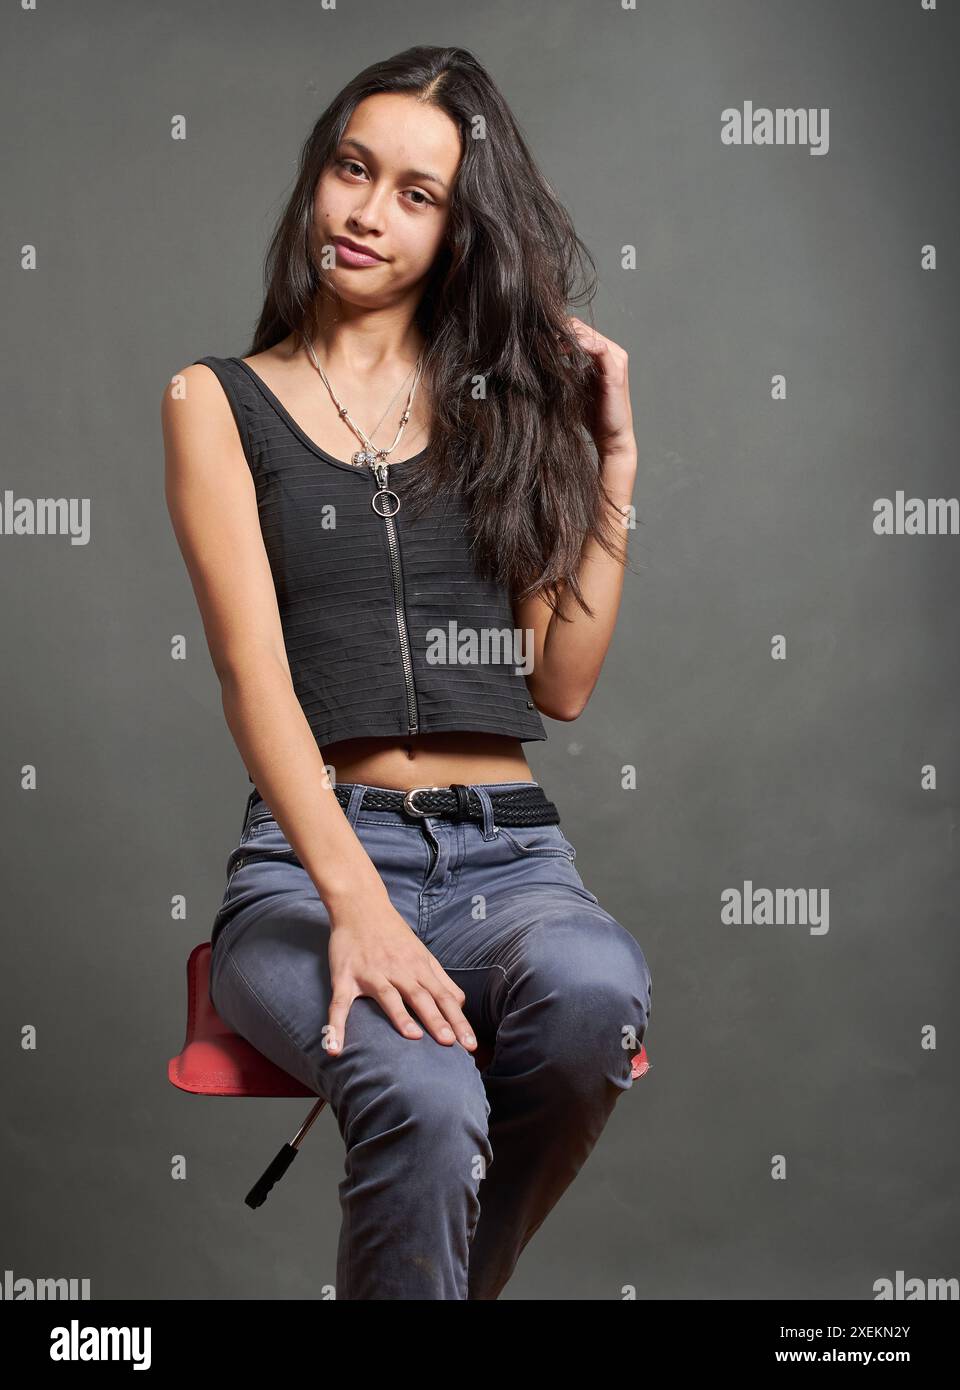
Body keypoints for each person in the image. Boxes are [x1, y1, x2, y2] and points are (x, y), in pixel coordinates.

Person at [162, 44, 652, 1301]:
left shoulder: (504, 411)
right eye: (351, 170)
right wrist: (359, 907)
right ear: (318, 181)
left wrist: (615, 474)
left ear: (456, 232)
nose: (369, 212)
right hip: (311, 862)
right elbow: (250, 674)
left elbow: (560, 682)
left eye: (416, 194)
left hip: (511, 859)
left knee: (599, 995)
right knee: (429, 1105)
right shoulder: (219, 403)